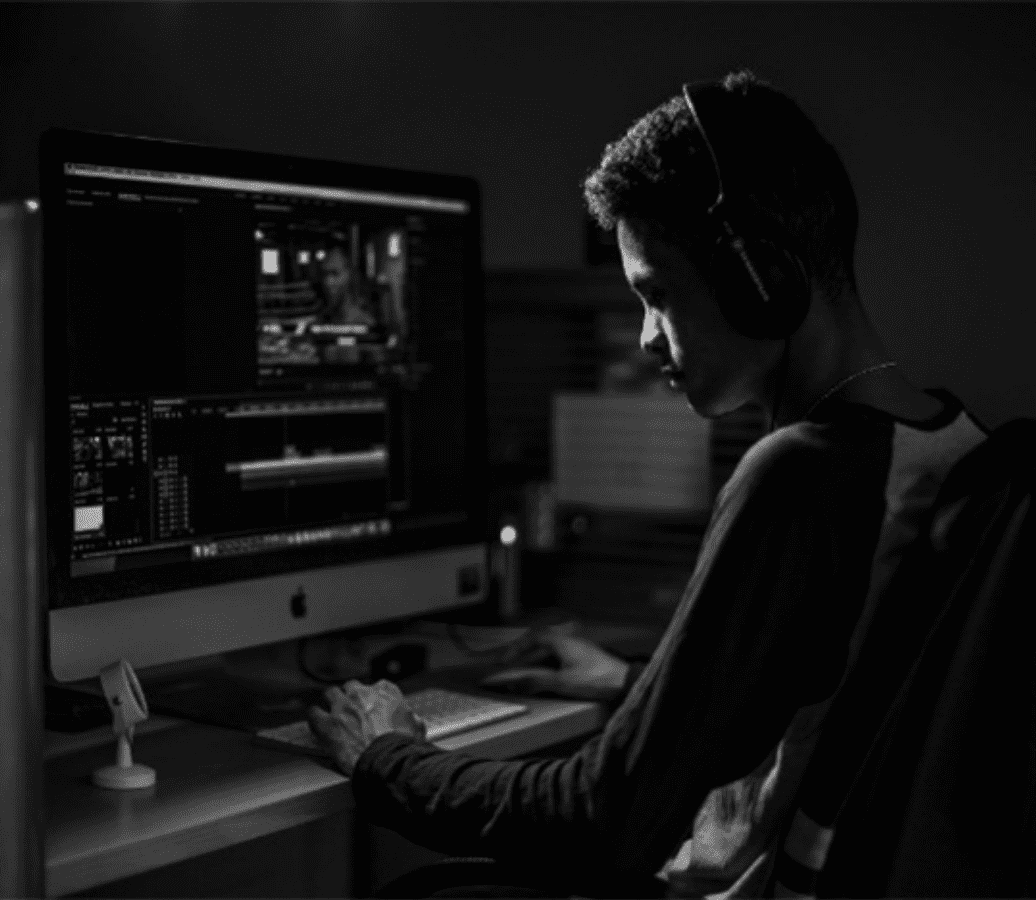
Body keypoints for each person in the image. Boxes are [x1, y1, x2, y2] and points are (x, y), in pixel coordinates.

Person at [307, 70, 989, 899]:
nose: (645, 338)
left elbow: (603, 819)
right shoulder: (951, 446)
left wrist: (389, 757)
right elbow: (825, 709)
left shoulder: (800, 473)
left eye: (656, 294)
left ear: (760, 278)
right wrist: (636, 689)